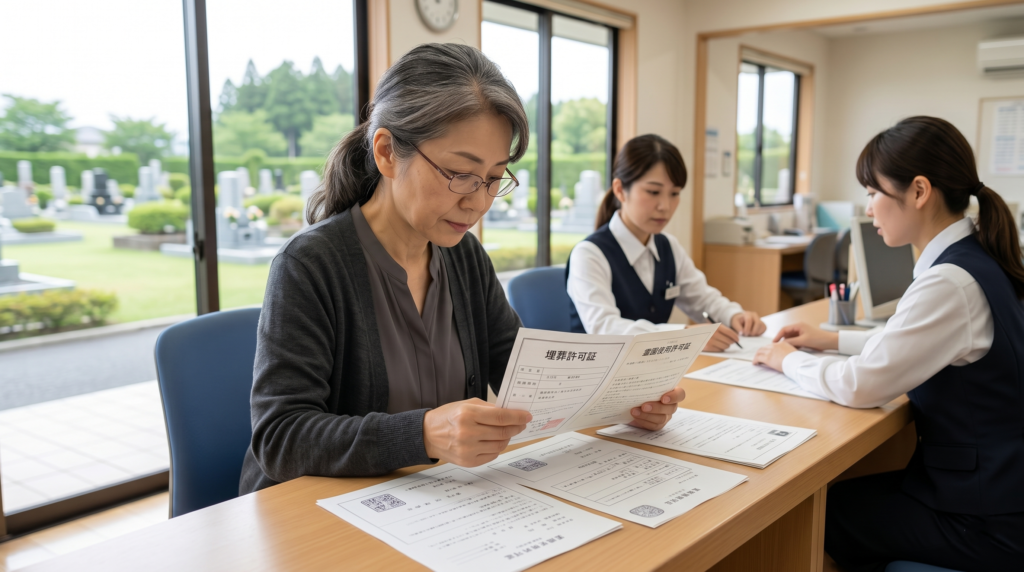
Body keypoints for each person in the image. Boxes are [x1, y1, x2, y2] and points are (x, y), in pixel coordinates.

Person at [240, 44, 686, 494]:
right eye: (459, 173)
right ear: (387, 152)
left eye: (494, 178)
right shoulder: (312, 265)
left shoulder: (464, 256)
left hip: (431, 498)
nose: (478, 201)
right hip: (321, 513)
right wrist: (425, 434)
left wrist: (623, 402)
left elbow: (524, 375)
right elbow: (281, 438)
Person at [753, 116, 1024, 571]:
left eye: (873, 193)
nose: (869, 209)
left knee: (823, 510)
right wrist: (833, 337)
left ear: (918, 191)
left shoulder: (949, 283)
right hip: (997, 490)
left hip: (986, 523)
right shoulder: (976, 257)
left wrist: (788, 361)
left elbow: (861, 386)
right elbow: (916, 343)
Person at [566, 134, 765, 351]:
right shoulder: (589, 254)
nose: (665, 206)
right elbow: (605, 328)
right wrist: (682, 336)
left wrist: (734, 315)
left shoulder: (668, 246)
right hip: (598, 376)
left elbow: (703, 299)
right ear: (620, 190)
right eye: (653, 192)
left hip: (653, 372)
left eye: (674, 193)